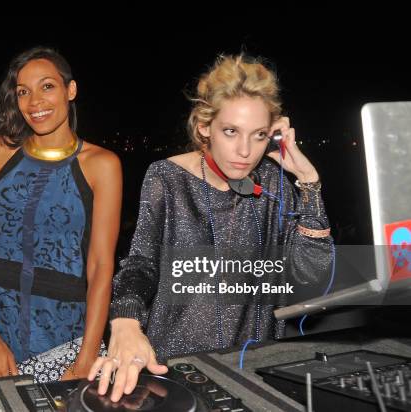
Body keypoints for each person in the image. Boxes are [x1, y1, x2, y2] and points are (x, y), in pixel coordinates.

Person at [88, 54, 333, 402]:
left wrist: (308, 182)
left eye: (260, 135)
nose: (245, 150)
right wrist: (125, 321)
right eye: (231, 131)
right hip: (173, 368)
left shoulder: (275, 186)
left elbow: (312, 278)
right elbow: (140, 263)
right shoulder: (166, 177)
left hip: (255, 371)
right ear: (205, 126)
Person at [0, 46, 122, 411]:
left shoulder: (102, 164)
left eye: (47, 86)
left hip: (64, 336)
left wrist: (84, 360)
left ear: (71, 90)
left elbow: (100, 267)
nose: (35, 101)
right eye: (23, 91)